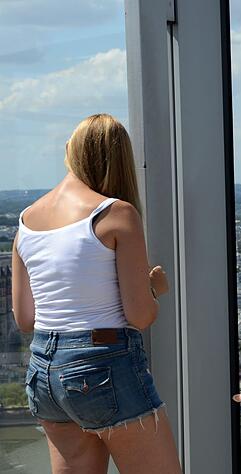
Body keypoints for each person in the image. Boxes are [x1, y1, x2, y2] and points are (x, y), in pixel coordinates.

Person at [11, 114, 182, 473]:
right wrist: (154, 289)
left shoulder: (26, 221)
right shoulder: (116, 214)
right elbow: (140, 315)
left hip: (45, 372)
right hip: (105, 366)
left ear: (70, 153)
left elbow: (25, 319)